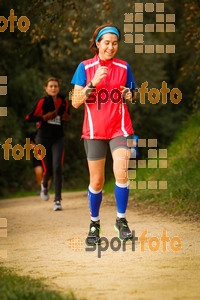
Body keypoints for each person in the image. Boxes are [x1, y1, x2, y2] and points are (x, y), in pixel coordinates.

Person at [71, 24, 137, 245]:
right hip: (93, 130)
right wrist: (92, 83)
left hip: (120, 128)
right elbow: (76, 102)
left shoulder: (124, 67)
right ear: (97, 43)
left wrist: (130, 94)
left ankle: (121, 220)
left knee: (121, 171)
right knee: (97, 181)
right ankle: (94, 224)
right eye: (106, 42)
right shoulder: (85, 67)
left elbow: (132, 93)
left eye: (115, 43)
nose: (111, 47)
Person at [26, 78, 70, 211]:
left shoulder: (64, 102)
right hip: (43, 139)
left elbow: (67, 116)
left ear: (59, 88)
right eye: (50, 86)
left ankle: (57, 199)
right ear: (46, 88)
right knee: (48, 169)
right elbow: (29, 118)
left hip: (58, 139)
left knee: (57, 167)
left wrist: (66, 117)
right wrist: (43, 117)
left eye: (55, 86)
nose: (53, 88)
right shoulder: (42, 102)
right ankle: (44, 184)